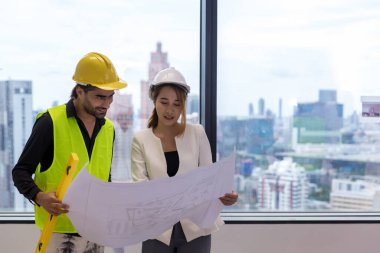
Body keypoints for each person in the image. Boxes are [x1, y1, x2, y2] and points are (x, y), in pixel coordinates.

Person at [12, 52, 128, 253]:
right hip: (58, 231)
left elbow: (103, 176)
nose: (107, 104)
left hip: (95, 230)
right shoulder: (50, 123)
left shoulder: (108, 129)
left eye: (110, 97)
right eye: (99, 97)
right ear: (79, 91)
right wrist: (39, 197)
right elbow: (20, 171)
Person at [131, 67, 238, 253]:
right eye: (164, 102)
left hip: (195, 227)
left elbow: (210, 181)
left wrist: (224, 195)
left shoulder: (197, 133)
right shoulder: (141, 139)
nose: (170, 110)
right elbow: (140, 189)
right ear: (154, 101)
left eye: (177, 104)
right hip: (157, 229)